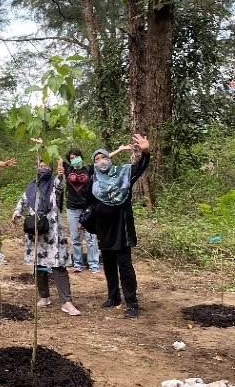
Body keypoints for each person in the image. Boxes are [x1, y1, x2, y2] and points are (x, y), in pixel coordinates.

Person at [85, 134, 151, 318]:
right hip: (103, 228)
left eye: (103, 157)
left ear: (109, 158)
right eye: (97, 159)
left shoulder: (124, 173)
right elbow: (89, 202)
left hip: (121, 227)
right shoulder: (94, 180)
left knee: (125, 264)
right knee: (108, 264)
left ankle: (132, 303)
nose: (101, 162)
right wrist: (85, 221)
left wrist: (145, 152)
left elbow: (140, 167)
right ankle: (113, 297)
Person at [12, 160, 81, 316]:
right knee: (39, 265)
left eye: (46, 166)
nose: (43, 169)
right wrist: (16, 213)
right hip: (36, 231)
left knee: (58, 266)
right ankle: (44, 296)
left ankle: (67, 302)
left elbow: (60, 181)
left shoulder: (54, 184)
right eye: (40, 166)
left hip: (52, 231)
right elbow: (23, 202)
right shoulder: (31, 186)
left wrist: (61, 172)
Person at [61, 145, 130, 275]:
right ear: (69, 160)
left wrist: (120, 150)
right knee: (76, 238)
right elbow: (53, 155)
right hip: (72, 208)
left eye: (77, 156)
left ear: (81, 157)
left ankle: (94, 263)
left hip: (88, 208)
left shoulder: (89, 169)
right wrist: (43, 144)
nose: (75, 159)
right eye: (72, 158)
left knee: (91, 237)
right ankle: (77, 263)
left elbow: (103, 159)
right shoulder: (68, 169)